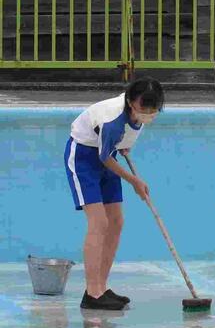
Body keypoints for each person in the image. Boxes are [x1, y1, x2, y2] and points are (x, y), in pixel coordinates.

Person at [65, 77, 164, 310]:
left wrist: (123, 144)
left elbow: (120, 141)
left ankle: (101, 287)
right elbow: (103, 156)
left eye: (153, 110)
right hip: (84, 157)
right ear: (130, 102)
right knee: (99, 222)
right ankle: (92, 294)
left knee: (116, 222)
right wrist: (134, 181)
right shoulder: (112, 120)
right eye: (143, 109)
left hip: (108, 155)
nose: (148, 114)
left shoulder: (138, 114)